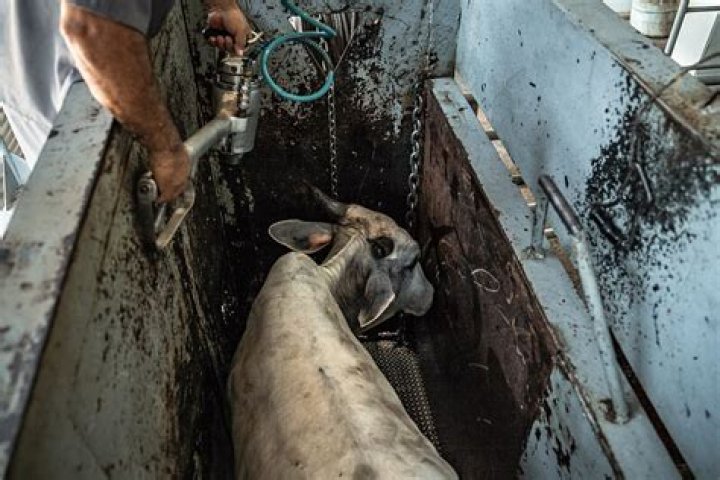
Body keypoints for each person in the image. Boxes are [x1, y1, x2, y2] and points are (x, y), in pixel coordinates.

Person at [0, 0, 252, 203]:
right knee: (77, 209)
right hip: (55, 73)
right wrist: (166, 149)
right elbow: (93, 30)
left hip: (88, 49)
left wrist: (221, 5)